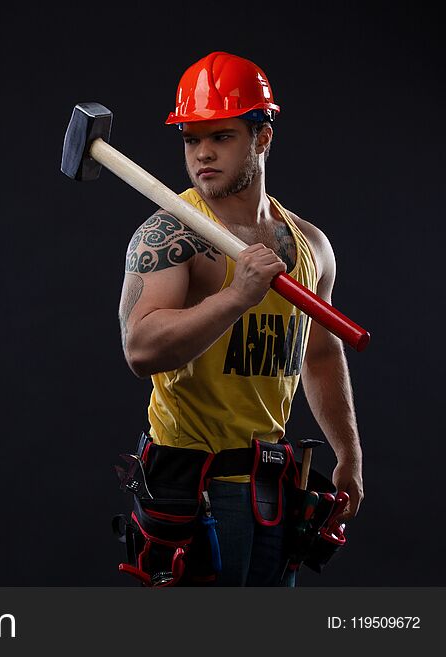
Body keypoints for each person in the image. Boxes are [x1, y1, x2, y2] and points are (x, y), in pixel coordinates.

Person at [116, 51, 363, 586]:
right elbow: (141, 348)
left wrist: (349, 454)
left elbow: (320, 353)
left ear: (262, 137)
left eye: (221, 137)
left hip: (273, 482)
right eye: (191, 139)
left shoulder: (310, 245)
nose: (202, 154)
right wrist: (236, 296)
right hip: (193, 483)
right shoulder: (170, 235)